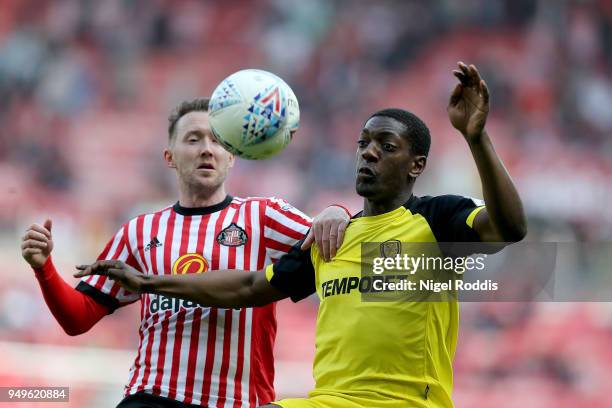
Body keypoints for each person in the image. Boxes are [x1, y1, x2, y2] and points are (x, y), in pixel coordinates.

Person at [76, 63, 527, 408]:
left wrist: (476, 139)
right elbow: (251, 286)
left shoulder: (435, 220)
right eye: (364, 143)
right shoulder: (334, 239)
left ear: (416, 165)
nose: (369, 153)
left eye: (386, 147)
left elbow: (510, 227)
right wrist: (150, 282)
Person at [21, 97, 351, 408]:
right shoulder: (139, 231)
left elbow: (340, 242)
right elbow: (79, 317)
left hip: (238, 401)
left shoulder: (265, 216)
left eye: (217, 140)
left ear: (232, 155)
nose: (207, 149)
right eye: (193, 139)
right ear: (170, 157)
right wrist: (44, 268)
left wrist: (335, 210)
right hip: (153, 396)